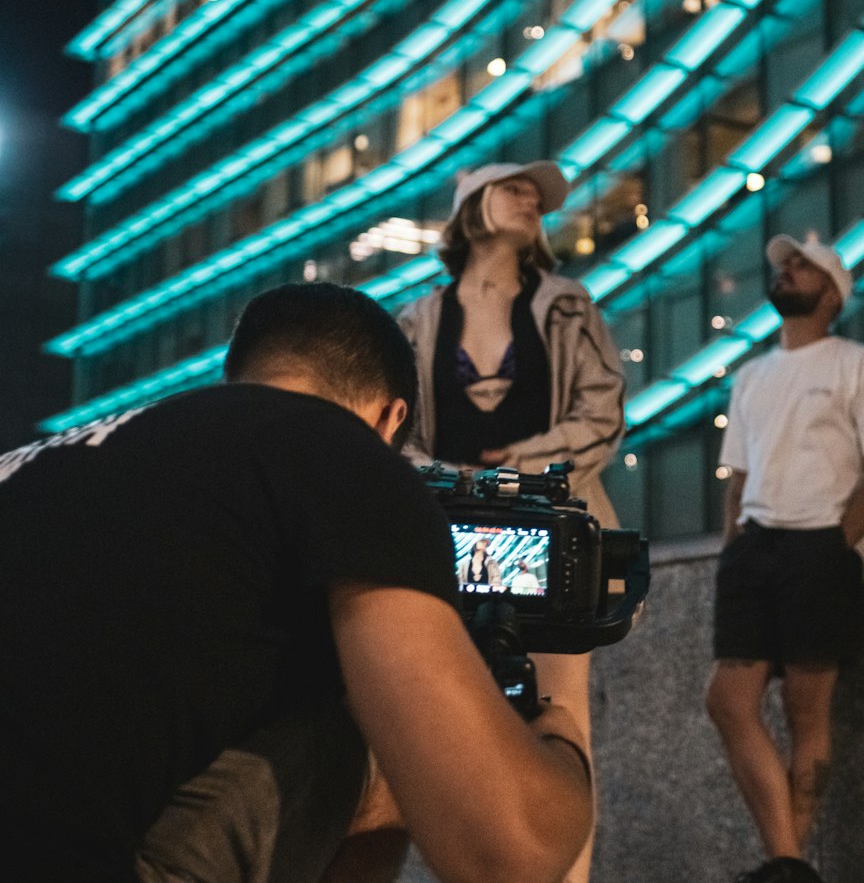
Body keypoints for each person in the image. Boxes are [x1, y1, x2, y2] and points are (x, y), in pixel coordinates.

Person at [0, 282, 592, 883]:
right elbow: (507, 853)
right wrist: (562, 732)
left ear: (239, 379)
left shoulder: (56, 460)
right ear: (392, 420)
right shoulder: (343, 453)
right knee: (389, 739)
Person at [398, 160, 625, 883]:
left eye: (538, 196)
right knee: (449, 726)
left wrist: (523, 460)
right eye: (515, 189)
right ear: (471, 207)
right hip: (450, 546)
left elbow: (603, 414)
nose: (532, 201)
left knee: (563, 718)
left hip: (555, 534)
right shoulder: (418, 317)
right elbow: (392, 429)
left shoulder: (566, 305)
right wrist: (451, 479)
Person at [705, 236, 864, 883]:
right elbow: (737, 471)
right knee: (727, 700)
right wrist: (733, 539)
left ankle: (784, 866)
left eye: (802, 265)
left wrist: (835, 543)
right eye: (783, 264)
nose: (786, 269)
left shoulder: (859, 363)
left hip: (819, 545)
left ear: (830, 294)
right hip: (756, 546)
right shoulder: (751, 374)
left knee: (806, 711)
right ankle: (790, 863)